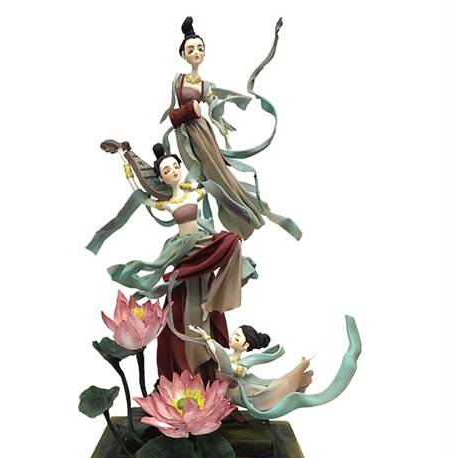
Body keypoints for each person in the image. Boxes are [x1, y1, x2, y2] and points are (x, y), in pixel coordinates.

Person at [86, 142, 257, 380]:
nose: (174, 171)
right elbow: (140, 196)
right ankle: (189, 363)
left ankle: (215, 299)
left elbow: (215, 181)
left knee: (233, 242)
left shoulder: (195, 192)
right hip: (183, 250)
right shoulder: (167, 203)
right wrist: (126, 162)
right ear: (161, 178)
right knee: (183, 300)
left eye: (176, 166)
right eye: (167, 170)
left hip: (202, 244)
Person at [160, 16, 302, 241]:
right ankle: (191, 217)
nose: (196, 52)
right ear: (183, 55)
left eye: (200, 48)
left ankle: (241, 216)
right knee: (193, 172)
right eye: (191, 49)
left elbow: (212, 106)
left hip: (201, 132)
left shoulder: (204, 86)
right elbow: (172, 107)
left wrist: (221, 123)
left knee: (217, 173)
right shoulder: (178, 80)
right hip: (182, 133)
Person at [188, 317, 361, 420]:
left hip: (244, 394)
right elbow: (219, 356)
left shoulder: (240, 364)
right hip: (225, 395)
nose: (232, 337)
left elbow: (225, 363)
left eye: (237, 337)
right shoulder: (230, 357)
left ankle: (301, 367)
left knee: (278, 388)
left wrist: (207, 338)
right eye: (234, 334)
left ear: (245, 346)